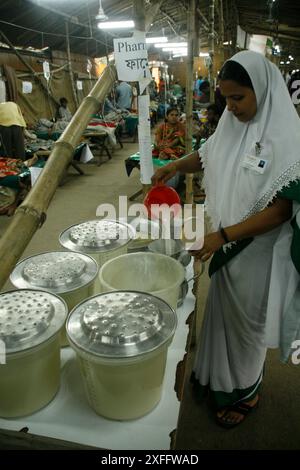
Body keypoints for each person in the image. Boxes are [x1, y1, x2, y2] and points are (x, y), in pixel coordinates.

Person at [152, 51, 300, 428]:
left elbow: (282, 211)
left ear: (262, 91)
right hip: (225, 242)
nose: (231, 108)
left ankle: (245, 391)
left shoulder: (288, 139)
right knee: (220, 315)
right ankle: (216, 379)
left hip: (258, 251)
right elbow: (206, 156)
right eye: (226, 99)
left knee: (247, 325)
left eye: (239, 98)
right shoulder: (231, 128)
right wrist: (172, 165)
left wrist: (222, 236)